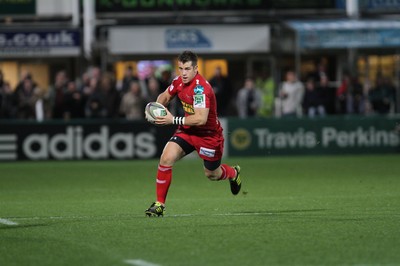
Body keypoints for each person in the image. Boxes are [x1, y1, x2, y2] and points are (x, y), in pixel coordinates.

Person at [144, 51, 242, 217]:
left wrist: (172, 120)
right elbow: (166, 95)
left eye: (187, 69)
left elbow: (201, 119)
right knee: (166, 158)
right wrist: (156, 107)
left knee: (212, 174)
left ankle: (233, 173)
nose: (183, 72)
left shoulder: (200, 89)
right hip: (188, 131)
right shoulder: (178, 81)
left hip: (208, 135)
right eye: (181, 68)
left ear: (196, 68)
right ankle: (159, 204)